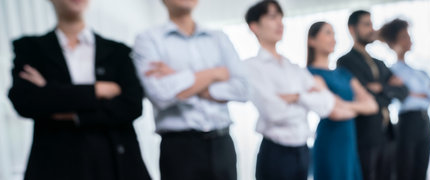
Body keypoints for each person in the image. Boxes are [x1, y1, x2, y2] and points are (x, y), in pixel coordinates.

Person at [8, 0, 151, 179]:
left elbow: (132, 105)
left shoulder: (118, 51)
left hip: (115, 160)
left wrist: (53, 94)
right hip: (55, 162)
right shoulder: (30, 49)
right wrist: (96, 90)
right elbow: (26, 101)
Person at [132, 0, 249, 179]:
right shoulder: (147, 40)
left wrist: (176, 77)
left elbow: (242, 89)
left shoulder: (219, 38)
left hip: (222, 145)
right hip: (180, 150)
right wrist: (214, 73)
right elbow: (160, 95)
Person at [245, 2, 360, 180]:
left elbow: (326, 104)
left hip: (302, 152)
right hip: (276, 153)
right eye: (272, 17)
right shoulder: (252, 67)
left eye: (281, 17)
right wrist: (307, 101)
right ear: (254, 26)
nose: (280, 23)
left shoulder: (294, 69)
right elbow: (274, 112)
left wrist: (297, 97)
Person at [337, 10, 409, 180]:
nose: (371, 29)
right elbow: (362, 96)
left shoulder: (380, 62)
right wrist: (387, 90)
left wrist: (380, 88)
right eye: (366, 24)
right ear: (352, 29)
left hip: (387, 134)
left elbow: (403, 91)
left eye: (372, 24)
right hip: (365, 135)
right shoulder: (345, 62)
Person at [306, 21, 378, 180]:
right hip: (330, 141)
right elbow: (335, 113)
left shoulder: (343, 73)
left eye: (334, 34)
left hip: (350, 142)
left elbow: (372, 105)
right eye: (327, 33)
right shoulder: (310, 74)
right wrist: (358, 106)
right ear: (312, 40)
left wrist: (344, 104)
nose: (333, 39)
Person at [379, 19, 430, 180]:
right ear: (393, 42)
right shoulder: (391, 72)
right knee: (405, 169)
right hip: (407, 123)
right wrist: (425, 92)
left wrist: (414, 92)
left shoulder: (419, 71)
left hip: (425, 121)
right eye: (404, 36)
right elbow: (398, 95)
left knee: (421, 168)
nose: (409, 40)